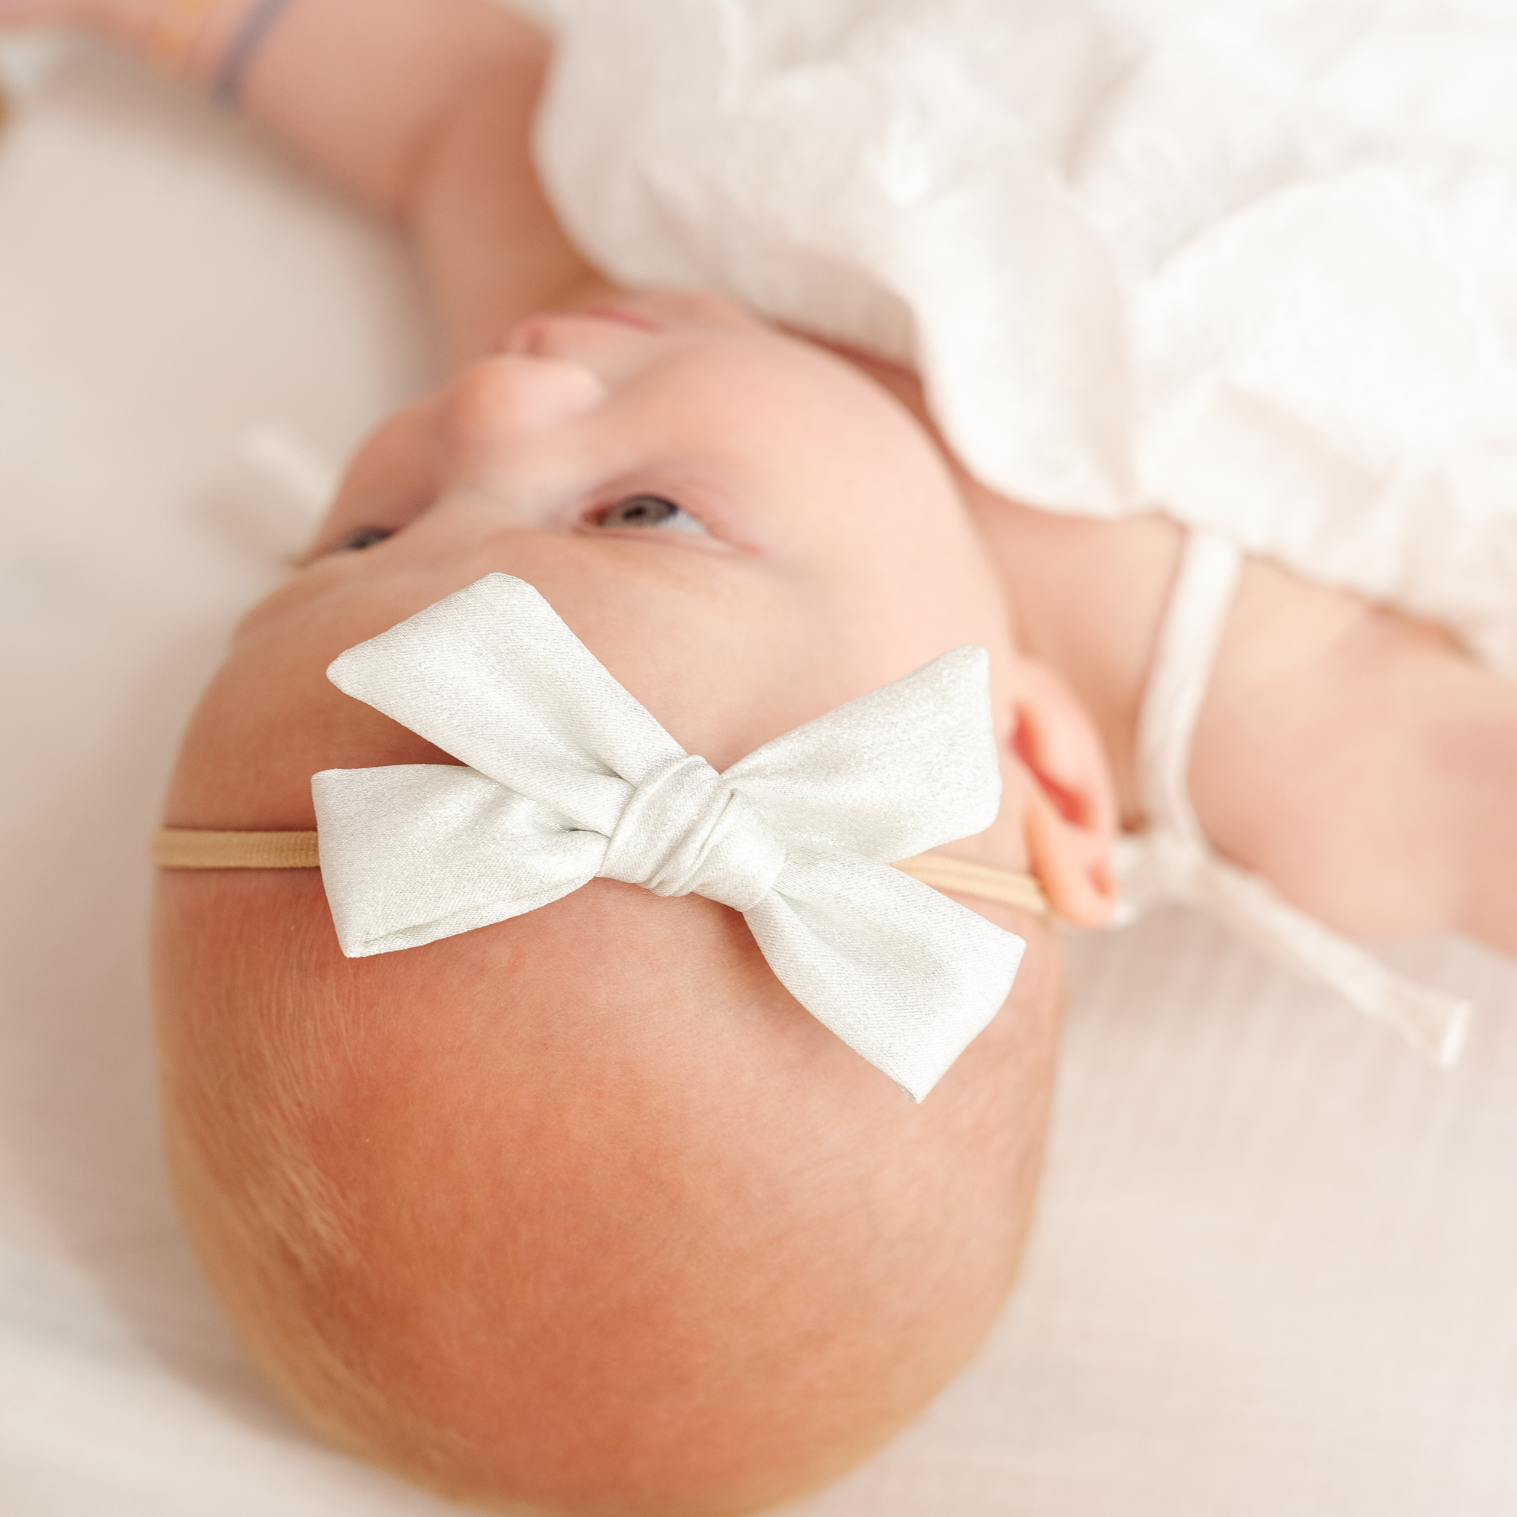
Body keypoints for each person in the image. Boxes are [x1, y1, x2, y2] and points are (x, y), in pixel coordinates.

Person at [5, 0, 1514, 1513]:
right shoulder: (1283, 720)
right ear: (1035, 770)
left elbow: (455, 106)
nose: (488, 400)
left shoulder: (601, 319)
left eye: (362, 539)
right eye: (642, 517)